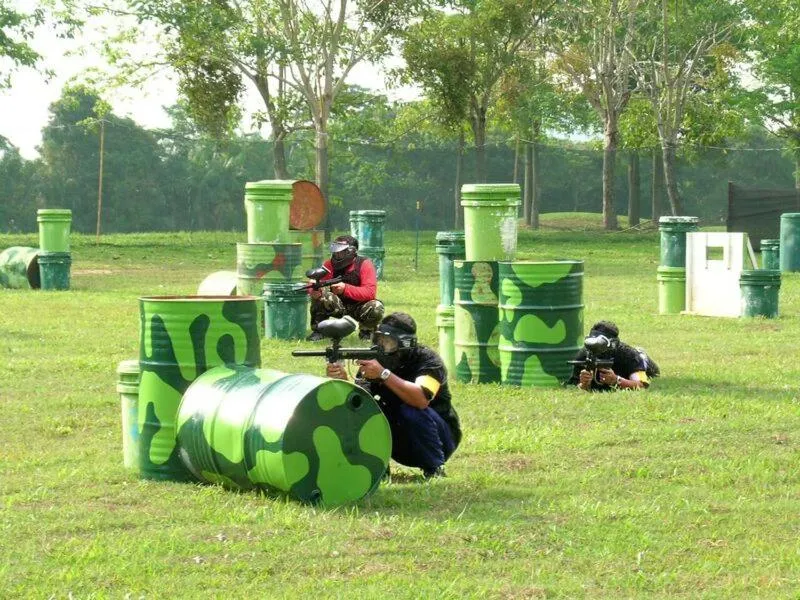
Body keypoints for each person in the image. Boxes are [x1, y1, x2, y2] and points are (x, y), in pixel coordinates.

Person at [326, 312, 461, 480]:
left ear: (405, 343)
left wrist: (383, 375)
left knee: (411, 410)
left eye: (388, 342)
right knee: (368, 413)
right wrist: (343, 380)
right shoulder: (375, 361)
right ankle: (379, 468)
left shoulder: (428, 361)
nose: (381, 347)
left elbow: (420, 400)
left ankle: (435, 468)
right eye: (379, 340)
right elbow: (361, 403)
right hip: (401, 442)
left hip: (441, 438)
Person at [306, 234, 384, 342]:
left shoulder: (364, 264)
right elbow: (317, 284)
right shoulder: (329, 265)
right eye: (335, 252)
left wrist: (345, 289)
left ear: (351, 252)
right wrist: (313, 290)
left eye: (341, 252)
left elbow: (370, 292)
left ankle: (366, 332)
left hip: (359, 307)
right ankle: (319, 330)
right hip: (338, 306)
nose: (337, 255)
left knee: (376, 306)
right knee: (322, 295)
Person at [566, 320, 660, 392]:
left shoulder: (628, 354)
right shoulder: (584, 355)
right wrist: (584, 384)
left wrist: (616, 380)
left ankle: (642, 355)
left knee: (650, 368)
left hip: (642, 366)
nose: (596, 351)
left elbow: (642, 386)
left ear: (613, 345)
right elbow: (575, 388)